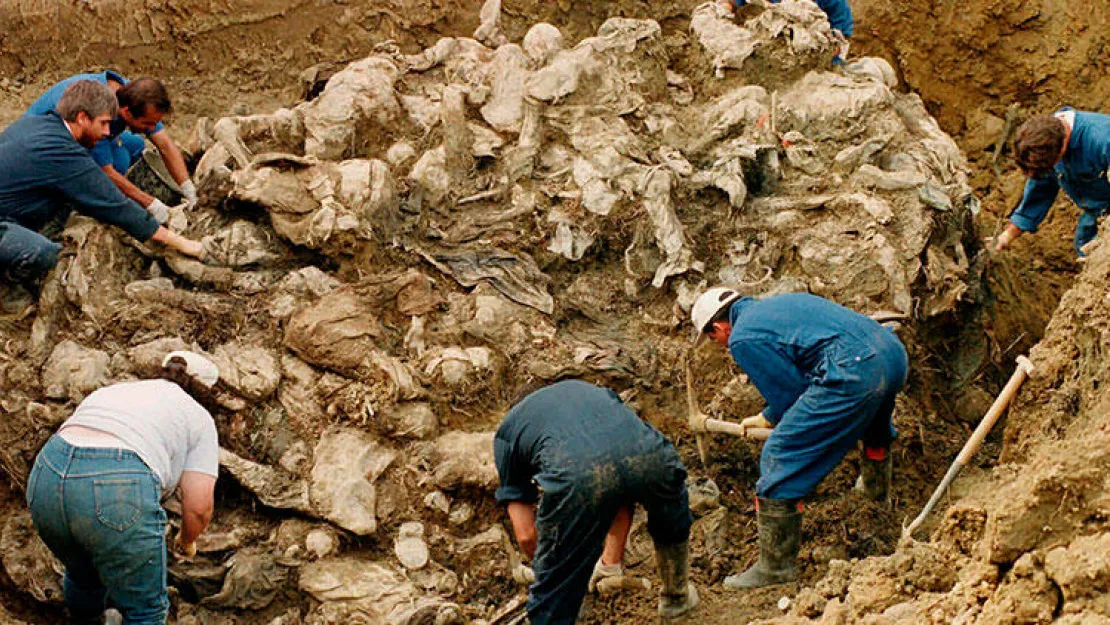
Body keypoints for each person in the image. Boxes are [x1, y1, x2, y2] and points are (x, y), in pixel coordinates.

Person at [690, 288, 907, 589]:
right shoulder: (781, 303)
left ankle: (776, 567)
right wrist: (769, 413)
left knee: (779, 452)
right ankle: (876, 497)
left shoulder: (742, 338)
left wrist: (774, 416)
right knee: (874, 428)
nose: (722, 345)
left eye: (715, 339)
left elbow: (793, 394)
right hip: (892, 354)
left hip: (856, 371)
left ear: (718, 327)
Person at [26, 350, 220, 625]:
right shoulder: (198, 416)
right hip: (116, 486)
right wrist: (186, 541)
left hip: (47, 475)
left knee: (84, 574)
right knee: (146, 611)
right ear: (205, 392)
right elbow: (199, 508)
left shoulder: (117, 391)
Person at [494, 380, 698, 624]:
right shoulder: (589, 392)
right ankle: (676, 600)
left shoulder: (509, 432)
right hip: (651, 456)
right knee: (666, 512)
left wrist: (553, 572)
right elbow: (618, 476)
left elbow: (526, 534)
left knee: (552, 597)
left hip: (577, 474)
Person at [0, 80, 204, 303]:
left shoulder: (43, 124)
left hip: (11, 207)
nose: (108, 132)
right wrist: (182, 243)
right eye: (103, 123)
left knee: (69, 197)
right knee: (44, 253)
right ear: (82, 118)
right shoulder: (61, 152)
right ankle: (8, 289)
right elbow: (114, 204)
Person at [26, 70, 197, 220]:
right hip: (43, 148)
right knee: (119, 164)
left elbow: (165, 144)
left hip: (90, 134)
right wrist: (151, 204)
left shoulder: (130, 94)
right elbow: (106, 172)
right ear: (127, 112)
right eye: (147, 124)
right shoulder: (97, 115)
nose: (151, 129)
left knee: (136, 144)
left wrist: (188, 188)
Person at [993, 109, 1110, 258]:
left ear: (1062, 148)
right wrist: (1007, 236)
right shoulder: (1045, 139)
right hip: (1098, 212)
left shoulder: (1103, 140)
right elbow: (1039, 191)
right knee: (1086, 247)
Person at [720, 0, 853, 64]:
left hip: (816, 67)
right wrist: (725, 7)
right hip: (761, 58)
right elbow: (729, 3)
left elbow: (843, 32)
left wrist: (820, 55)